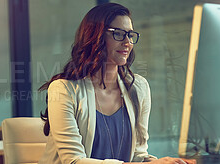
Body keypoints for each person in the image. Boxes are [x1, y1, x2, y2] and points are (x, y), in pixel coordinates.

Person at [38, 3, 191, 164]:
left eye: (130, 35)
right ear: (95, 37)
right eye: (118, 34)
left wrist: (162, 162)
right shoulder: (63, 89)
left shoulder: (139, 88)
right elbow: (74, 161)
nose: (127, 42)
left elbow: (138, 155)